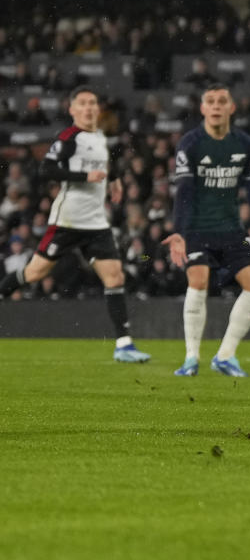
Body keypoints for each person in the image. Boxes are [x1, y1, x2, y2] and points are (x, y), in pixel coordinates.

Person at [0, 86, 150, 363]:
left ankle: (124, 345)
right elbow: (47, 169)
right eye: (83, 103)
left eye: (93, 103)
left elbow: (105, 164)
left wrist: (114, 180)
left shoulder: (99, 137)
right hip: (67, 220)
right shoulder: (69, 137)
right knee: (34, 273)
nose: (90, 107)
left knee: (115, 276)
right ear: (72, 110)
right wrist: (83, 176)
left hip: (95, 223)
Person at [162, 84, 250, 377]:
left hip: (230, 229)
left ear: (231, 108)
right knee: (199, 281)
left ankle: (225, 356)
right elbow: (184, 191)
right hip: (197, 229)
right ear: (203, 108)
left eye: (222, 101)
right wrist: (179, 232)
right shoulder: (190, 144)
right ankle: (191, 358)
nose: (216, 106)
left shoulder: (245, 144)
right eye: (211, 101)